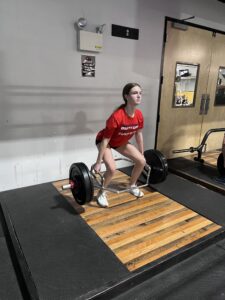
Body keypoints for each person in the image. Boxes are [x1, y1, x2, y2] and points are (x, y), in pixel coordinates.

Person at [92, 83, 146, 208]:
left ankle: (131, 185)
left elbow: (138, 135)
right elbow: (105, 140)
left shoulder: (139, 115)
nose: (138, 96)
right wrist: (98, 162)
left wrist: (142, 153)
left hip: (120, 142)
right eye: (134, 93)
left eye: (140, 93)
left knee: (141, 161)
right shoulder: (117, 116)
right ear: (126, 96)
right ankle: (102, 192)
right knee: (111, 169)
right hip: (105, 142)